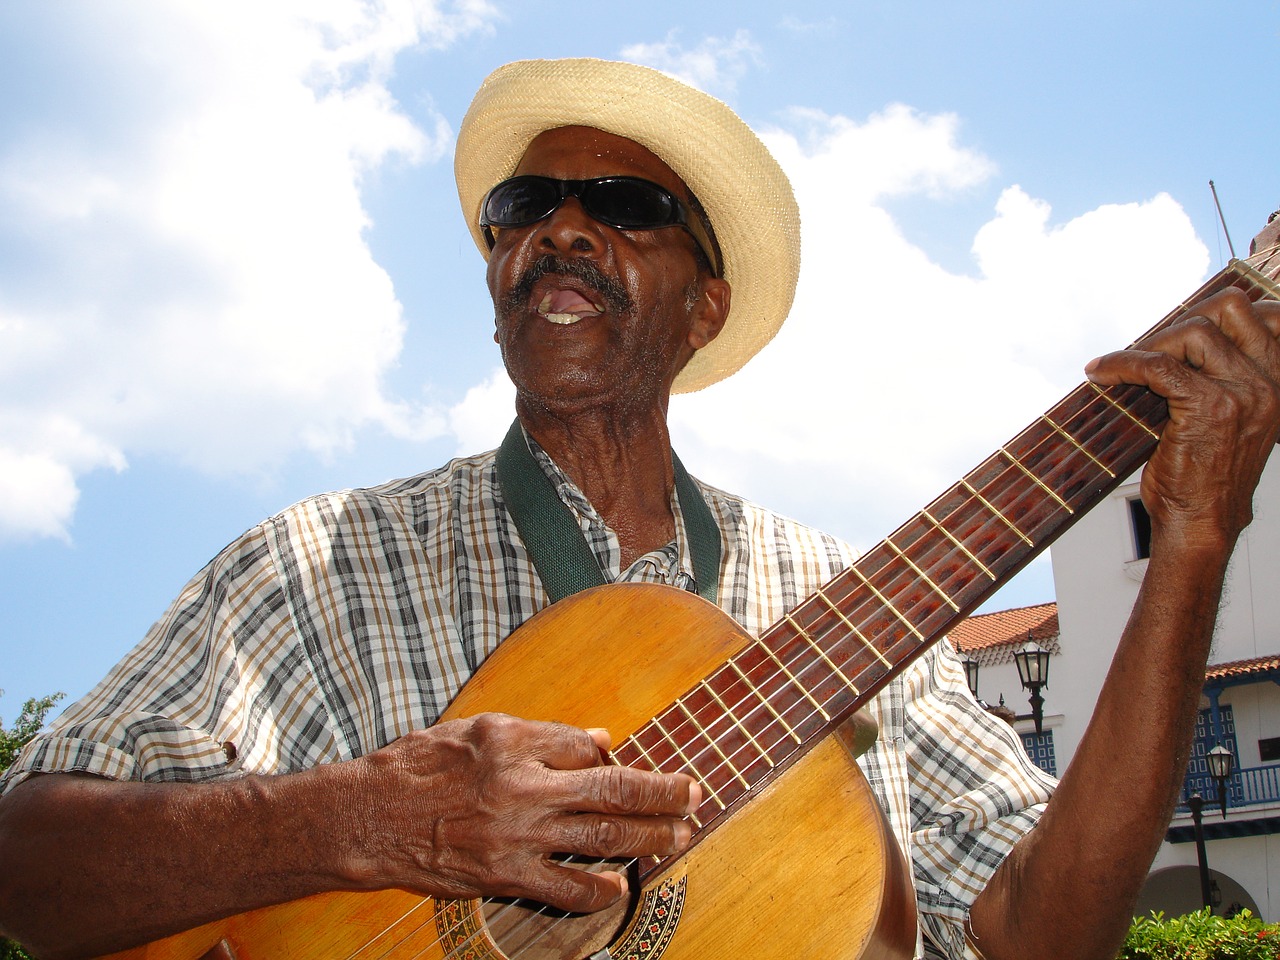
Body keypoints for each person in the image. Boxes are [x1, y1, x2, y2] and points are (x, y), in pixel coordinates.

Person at [0, 58, 1277, 960]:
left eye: (619, 207)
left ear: (703, 307)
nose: (556, 229)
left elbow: (1041, 937)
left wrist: (1193, 544)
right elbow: (30, 867)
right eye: (520, 209)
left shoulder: (838, 604)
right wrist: (361, 819)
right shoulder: (318, 562)